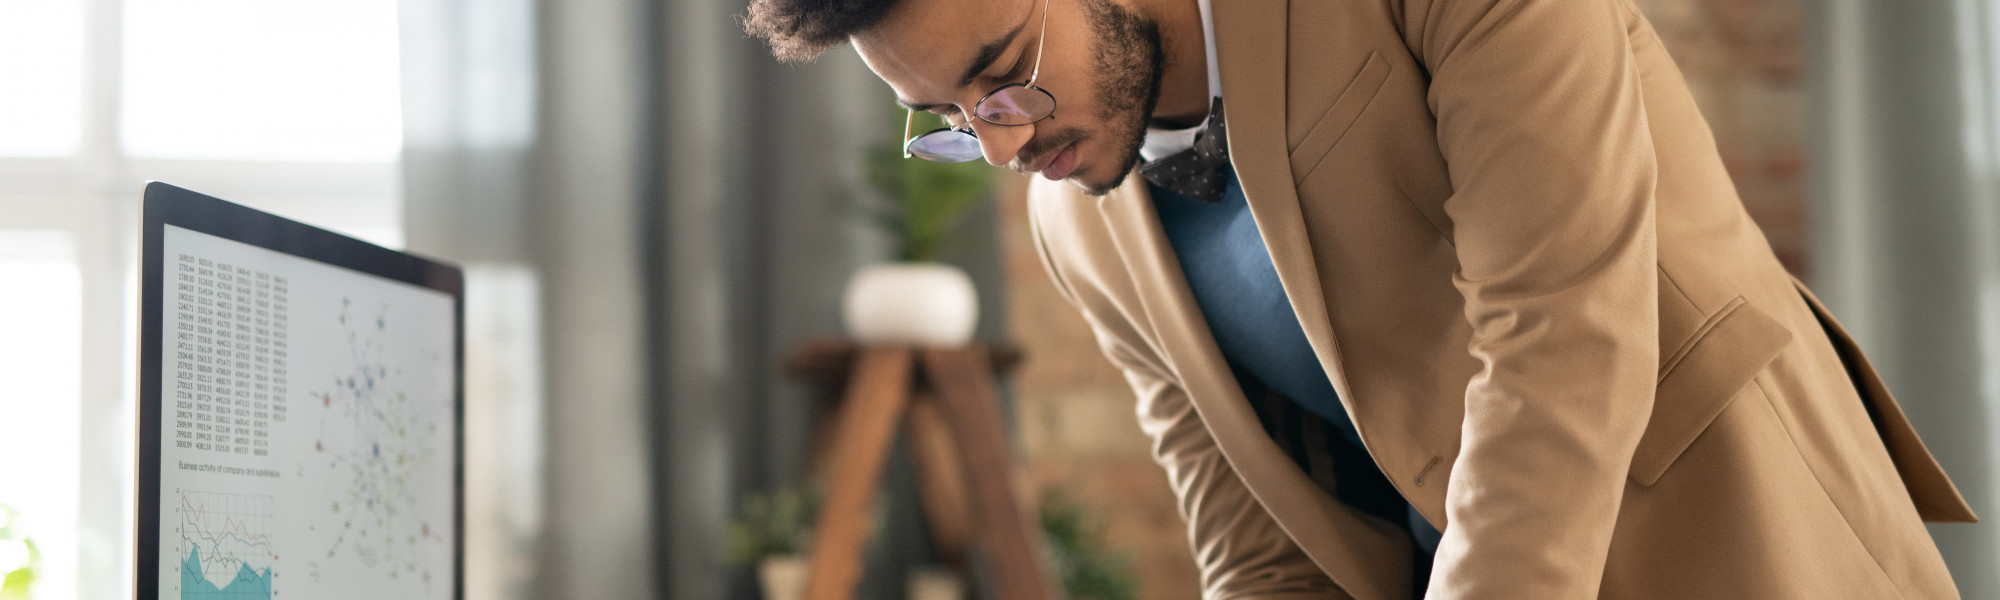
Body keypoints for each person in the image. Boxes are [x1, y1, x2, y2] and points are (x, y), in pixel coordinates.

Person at [743, 0, 1977, 597]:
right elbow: (1261, 549)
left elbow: (1561, 330)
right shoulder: (1081, 227)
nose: (1002, 145)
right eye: (946, 121)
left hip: (1738, 543)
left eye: (1000, 74)